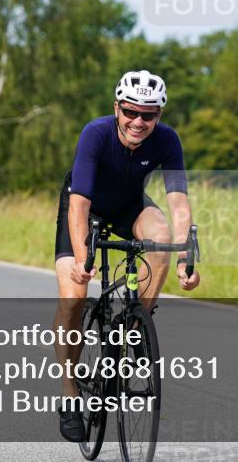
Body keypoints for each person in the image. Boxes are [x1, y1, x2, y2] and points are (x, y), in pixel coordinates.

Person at [52, 69, 201, 442]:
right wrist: (85, 260)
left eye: (147, 115)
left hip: (130, 206)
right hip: (85, 209)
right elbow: (79, 206)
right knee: (73, 298)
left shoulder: (167, 141)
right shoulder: (96, 133)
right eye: (130, 112)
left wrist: (186, 258)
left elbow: (178, 203)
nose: (138, 121)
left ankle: (137, 324)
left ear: (159, 116)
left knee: (163, 237)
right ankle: (70, 394)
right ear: (116, 108)